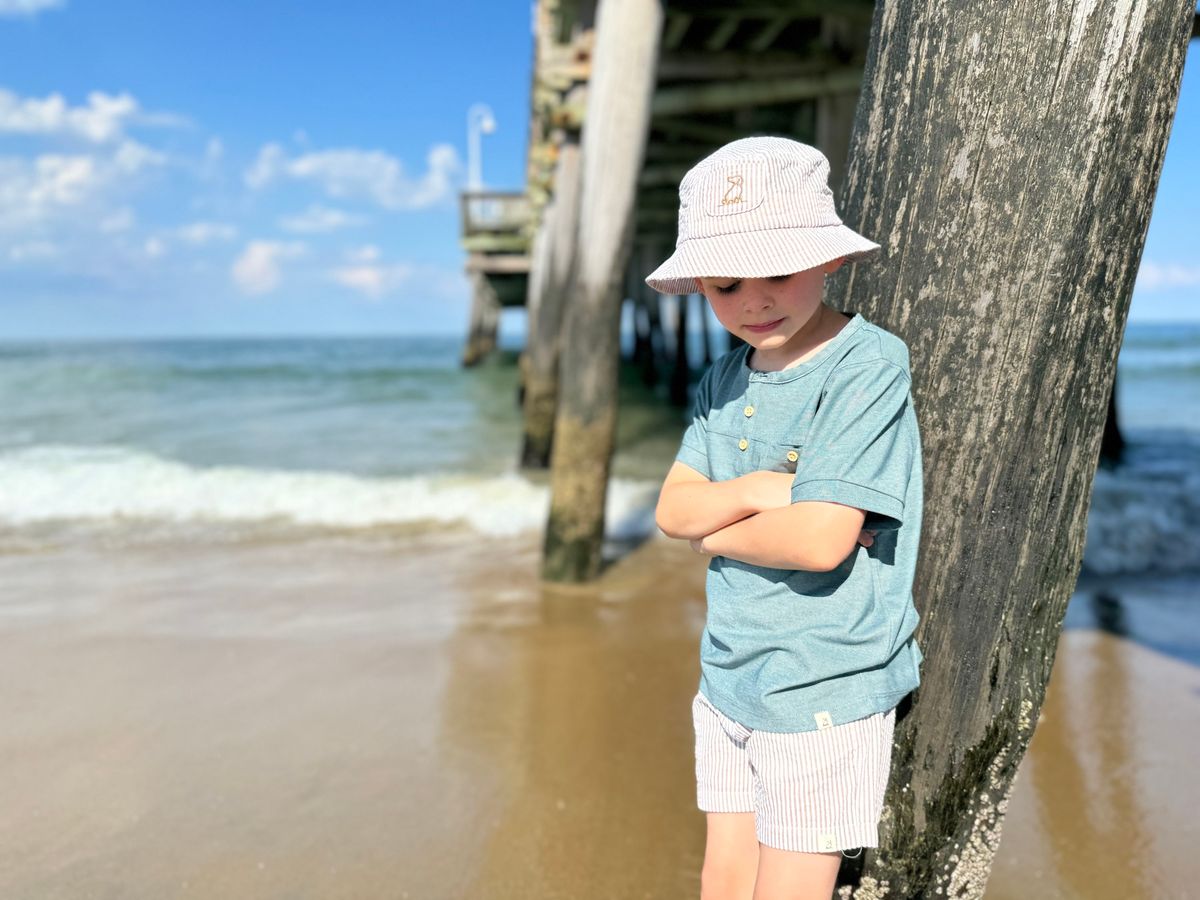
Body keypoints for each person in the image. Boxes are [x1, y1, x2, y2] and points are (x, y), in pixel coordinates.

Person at [647, 136, 924, 900]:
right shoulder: (720, 378)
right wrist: (767, 489)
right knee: (724, 880)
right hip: (729, 673)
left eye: (778, 271)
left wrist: (713, 529)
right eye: (727, 284)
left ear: (828, 258)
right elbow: (670, 509)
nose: (754, 300)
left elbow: (818, 540)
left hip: (822, 687)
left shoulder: (867, 365)